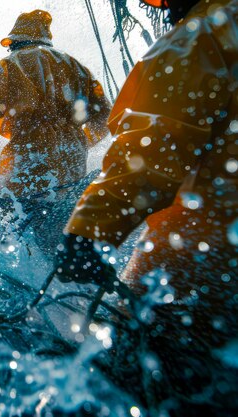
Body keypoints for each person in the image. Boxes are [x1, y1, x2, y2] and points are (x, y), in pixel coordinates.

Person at [54, 0, 237, 414]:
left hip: (207, 258)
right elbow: (100, 112)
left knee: (131, 375)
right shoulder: (72, 65)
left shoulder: (202, 34)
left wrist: (90, 229)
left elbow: (155, 144)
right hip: (67, 161)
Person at [0, 10, 111, 259]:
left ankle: (20, 280)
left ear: (16, 40)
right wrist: (83, 140)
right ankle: (71, 284)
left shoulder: (12, 64)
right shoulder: (75, 66)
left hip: (29, 158)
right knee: (64, 225)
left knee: (15, 226)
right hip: (72, 159)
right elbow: (105, 113)